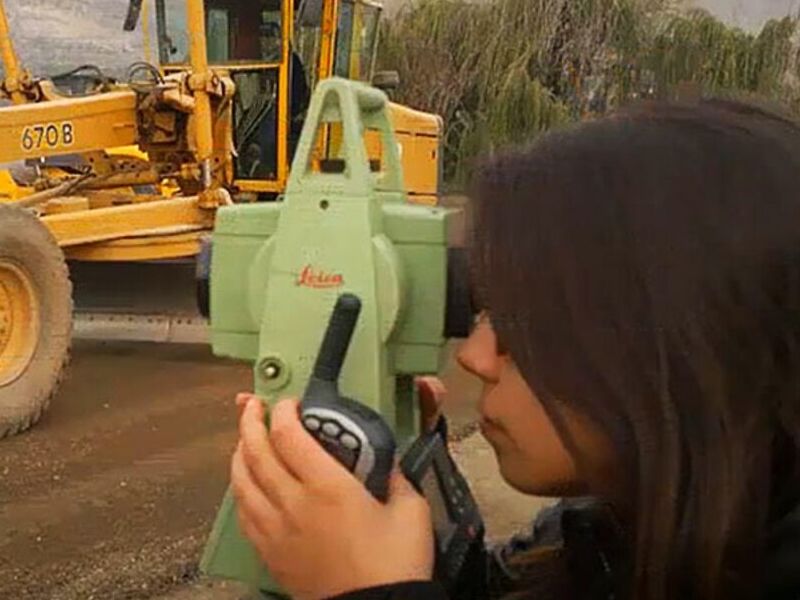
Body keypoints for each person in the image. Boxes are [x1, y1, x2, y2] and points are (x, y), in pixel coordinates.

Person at [229, 97, 800, 600]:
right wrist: (414, 533)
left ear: (683, 344)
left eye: (530, 323)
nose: (475, 357)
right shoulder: (621, 536)